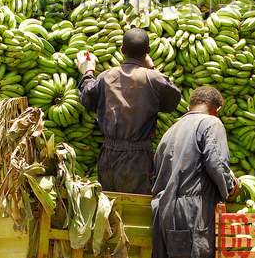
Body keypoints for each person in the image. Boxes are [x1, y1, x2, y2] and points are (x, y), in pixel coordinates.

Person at [151, 86, 239, 258]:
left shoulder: (171, 130)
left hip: (163, 213)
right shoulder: (212, 124)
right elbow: (215, 161)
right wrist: (231, 187)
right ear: (217, 109)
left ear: (190, 106)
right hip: (191, 213)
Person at [76, 28, 181, 195]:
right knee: (136, 206)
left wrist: (88, 72)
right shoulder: (153, 78)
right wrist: (152, 68)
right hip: (138, 157)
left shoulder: (106, 76)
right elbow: (172, 100)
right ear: (147, 52)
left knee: (109, 205)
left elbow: (88, 97)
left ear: (122, 51)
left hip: (108, 154)